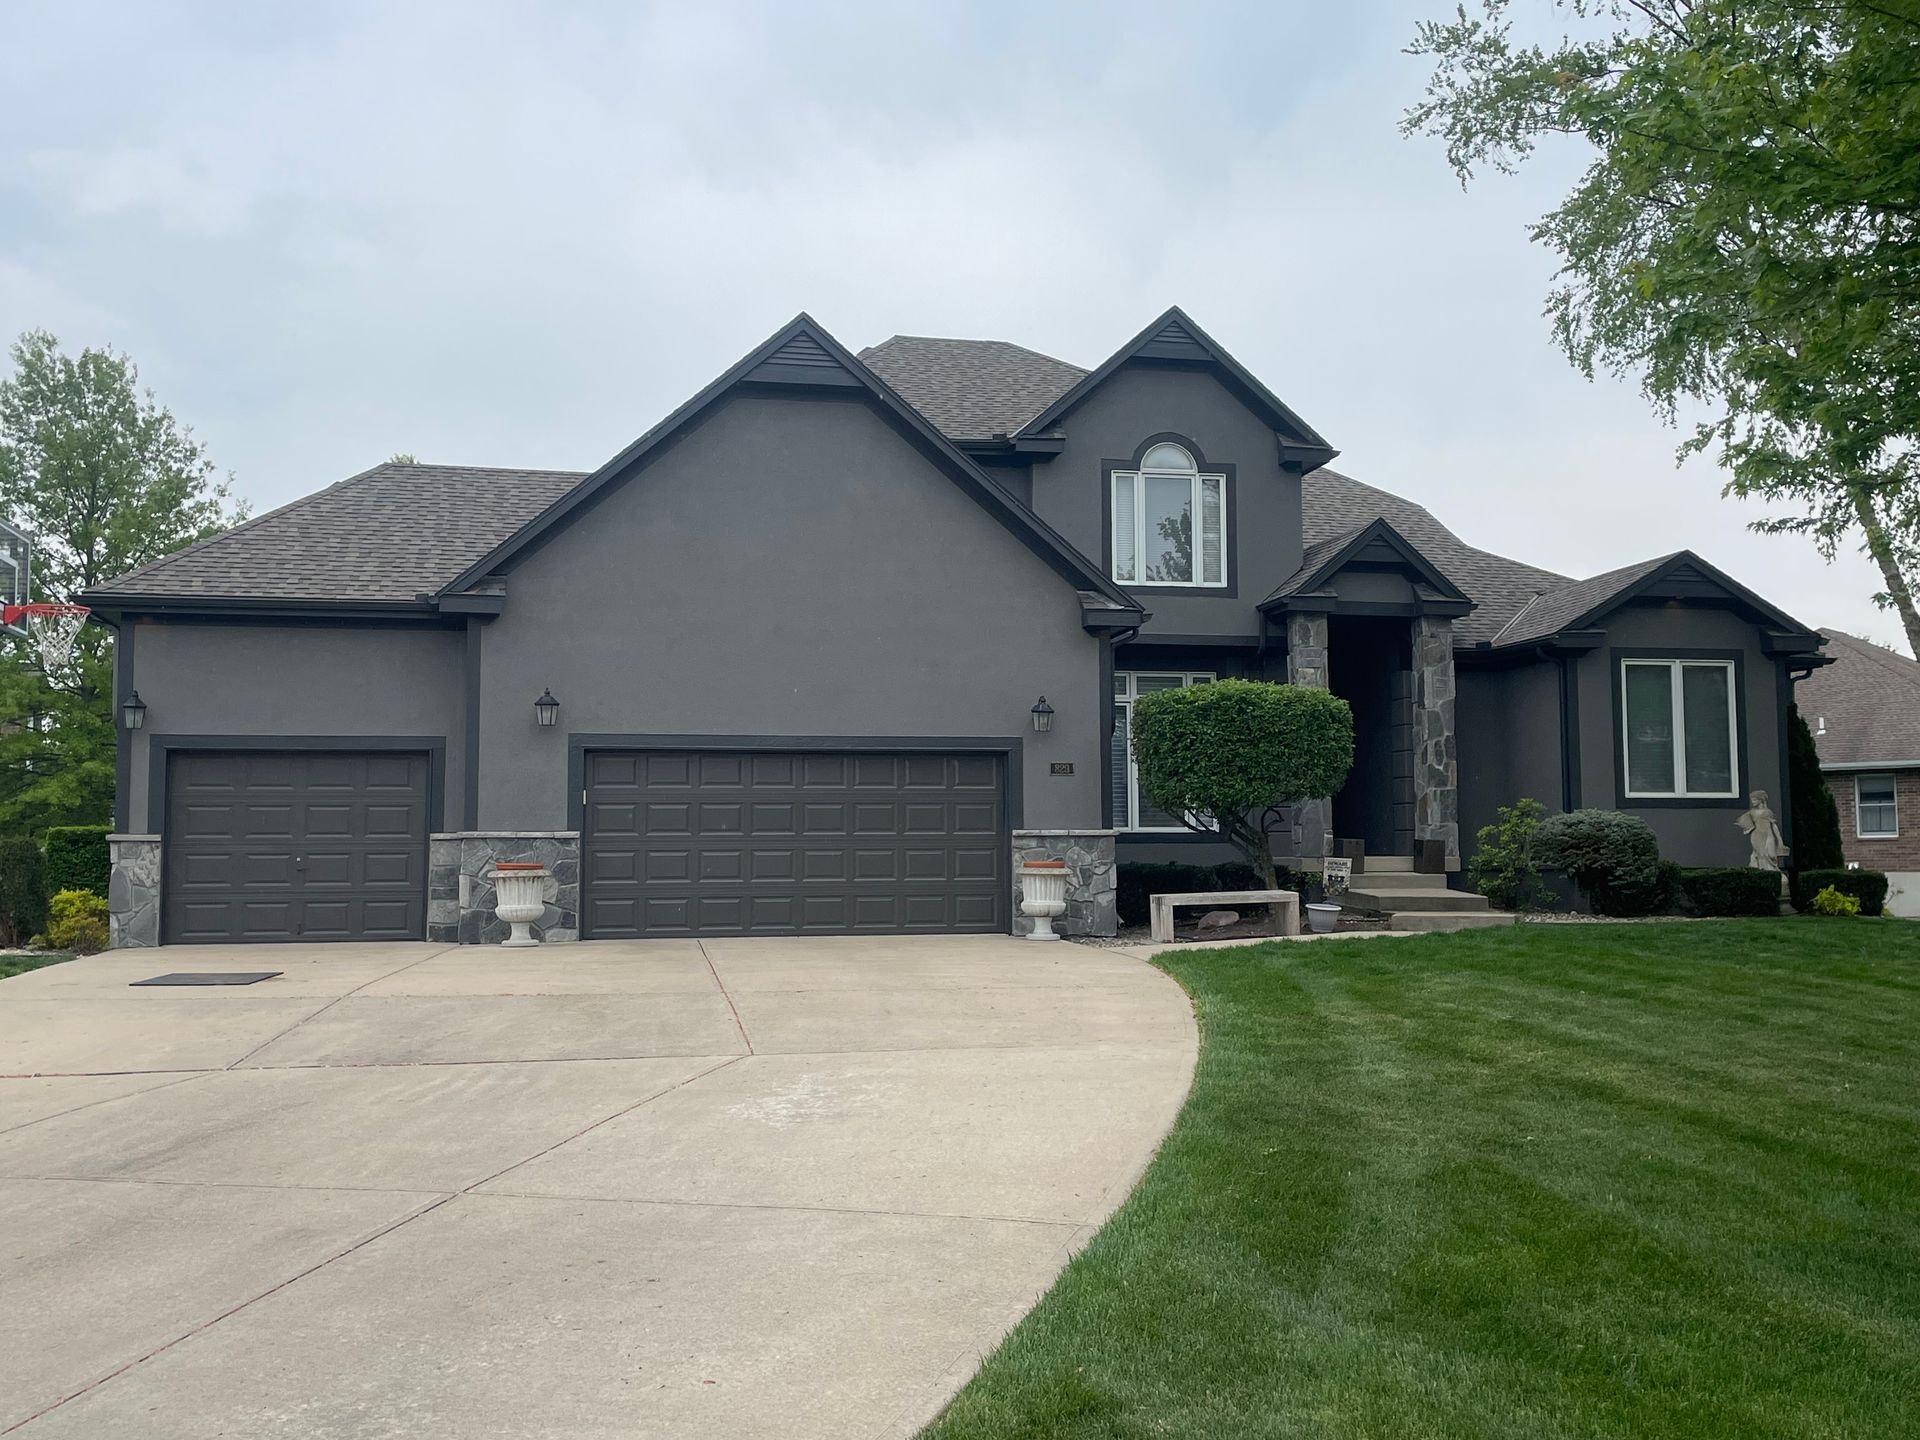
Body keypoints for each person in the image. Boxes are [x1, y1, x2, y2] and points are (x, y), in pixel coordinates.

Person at [1736, 789, 1787, 871]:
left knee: (1770, 855)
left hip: (1768, 835)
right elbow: (1746, 824)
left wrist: (1779, 839)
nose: (1753, 802)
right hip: (1756, 836)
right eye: (1752, 800)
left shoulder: (1768, 812)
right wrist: (1748, 829)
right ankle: (1761, 870)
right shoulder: (1751, 812)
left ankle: (1772, 870)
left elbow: (1773, 826)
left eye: (1755, 800)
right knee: (1759, 854)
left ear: (1760, 800)